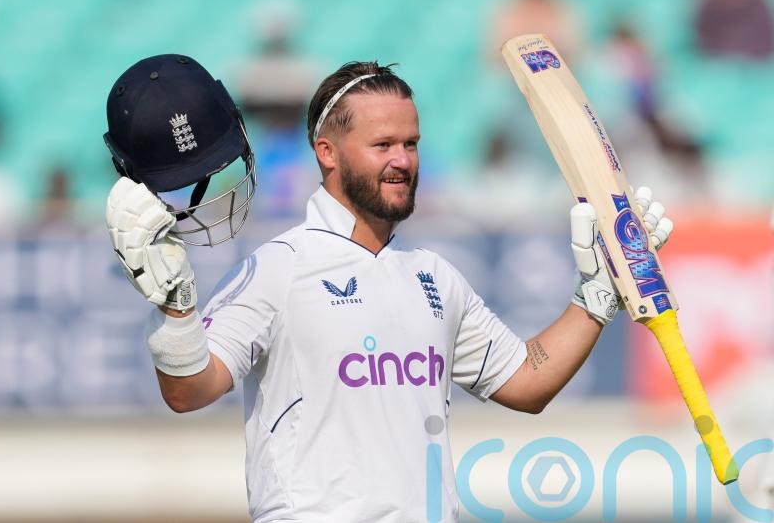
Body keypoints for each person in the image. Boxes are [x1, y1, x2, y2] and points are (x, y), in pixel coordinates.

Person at [105, 59, 673, 522]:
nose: (403, 161)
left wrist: (598, 294)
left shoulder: (434, 276)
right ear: (327, 152)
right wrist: (175, 309)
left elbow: (526, 382)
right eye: (383, 145)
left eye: (412, 143)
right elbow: (189, 391)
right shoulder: (280, 267)